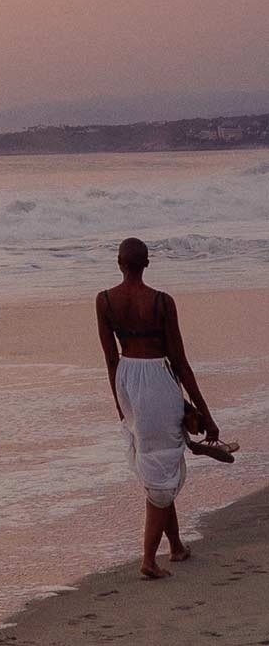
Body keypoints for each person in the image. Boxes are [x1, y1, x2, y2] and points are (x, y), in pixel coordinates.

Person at [96, 237, 236, 580]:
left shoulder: (105, 301)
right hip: (159, 379)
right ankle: (148, 560)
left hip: (127, 380)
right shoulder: (161, 302)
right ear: (147, 264)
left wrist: (120, 404)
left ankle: (175, 546)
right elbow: (180, 361)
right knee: (160, 470)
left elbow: (110, 358)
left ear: (119, 263)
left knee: (156, 461)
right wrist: (207, 414)